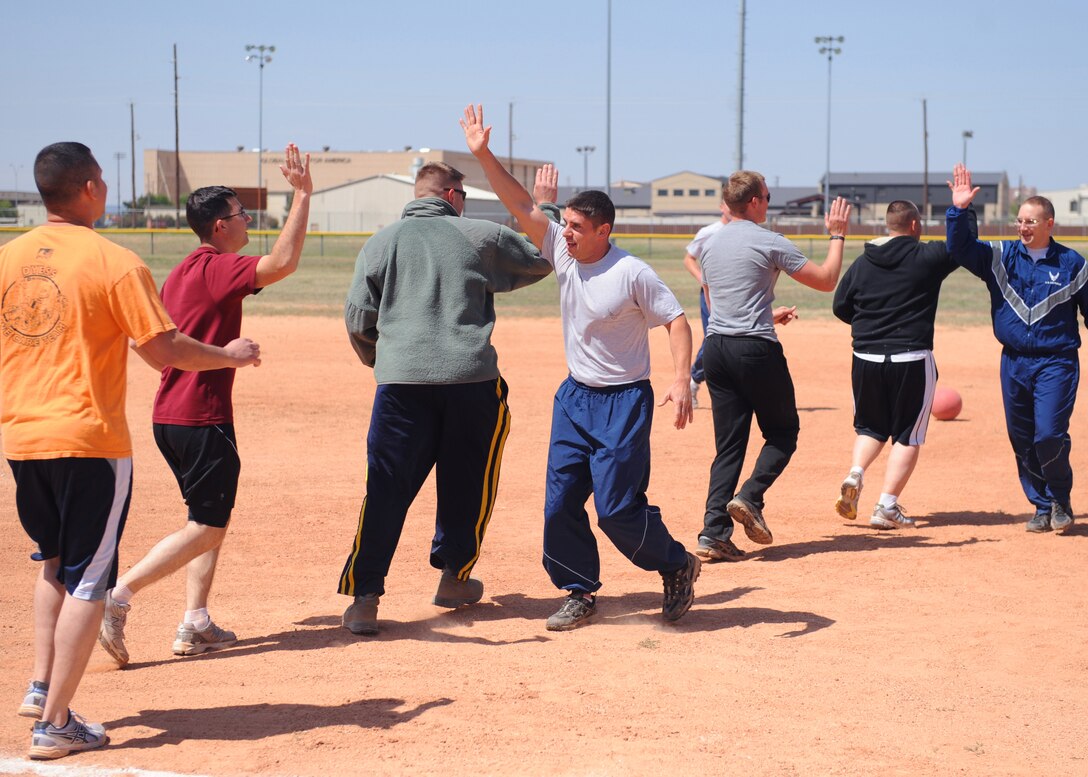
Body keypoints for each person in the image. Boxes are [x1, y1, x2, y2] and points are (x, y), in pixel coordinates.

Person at [1, 142, 260, 760]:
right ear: (91, 187)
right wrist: (226, 355)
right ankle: (55, 723)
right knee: (92, 578)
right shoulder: (113, 261)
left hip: (22, 435)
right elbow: (164, 349)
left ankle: (41, 689)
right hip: (89, 438)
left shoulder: (8, 257)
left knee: (53, 564)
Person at [462, 104, 701, 631]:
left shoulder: (632, 272)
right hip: (574, 399)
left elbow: (677, 321)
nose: (563, 234)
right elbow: (521, 203)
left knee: (616, 509)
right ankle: (578, 590)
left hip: (623, 402)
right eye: (563, 224)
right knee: (559, 504)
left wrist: (681, 378)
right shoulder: (563, 254)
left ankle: (677, 563)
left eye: (575, 227)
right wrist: (483, 154)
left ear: (603, 230)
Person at [96, 144, 312, 667]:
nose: (246, 222)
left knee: (207, 516)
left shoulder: (181, 272)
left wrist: (191, 367)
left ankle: (195, 621)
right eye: (240, 215)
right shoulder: (218, 268)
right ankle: (118, 596)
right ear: (219, 226)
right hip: (202, 419)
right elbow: (282, 262)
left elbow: (143, 345)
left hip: (169, 415)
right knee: (209, 525)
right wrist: (302, 195)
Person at [337, 159, 553, 635]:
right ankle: (454, 578)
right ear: (453, 196)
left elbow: (357, 318)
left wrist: (387, 360)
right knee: (468, 482)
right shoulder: (479, 235)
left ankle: (365, 598)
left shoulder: (380, 243)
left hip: (400, 388)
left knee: (386, 489)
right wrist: (546, 206)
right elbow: (544, 255)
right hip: (470, 383)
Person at [695, 171, 851, 560]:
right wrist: (837, 234)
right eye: (766, 196)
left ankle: (713, 532)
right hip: (754, 350)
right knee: (783, 432)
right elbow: (827, 280)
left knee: (728, 446)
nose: (769, 202)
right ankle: (750, 497)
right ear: (753, 202)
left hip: (716, 347)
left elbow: (716, 302)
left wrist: (765, 311)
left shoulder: (709, 244)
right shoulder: (769, 241)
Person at [947, 163, 1087, 534]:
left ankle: (1060, 496)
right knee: (1022, 437)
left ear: (1049, 224)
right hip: (1013, 362)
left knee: (1049, 434)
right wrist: (959, 211)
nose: (1023, 227)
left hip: (1056, 361)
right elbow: (960, 248)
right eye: (1020, 221)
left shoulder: (1073, 264)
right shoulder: (1000, 257)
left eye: (1030, 222)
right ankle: (1042, 505)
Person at [831, 200, 959, 529]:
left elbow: (840, 306)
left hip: (866, 357)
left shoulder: (862, 262)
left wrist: (870, 325)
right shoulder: (927, 257)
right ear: (915, 226)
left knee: (871, 426)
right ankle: (886, 505)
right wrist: (961, 210)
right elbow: (960, 245)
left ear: (888, 226)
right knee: (908, 434)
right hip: (911, 358)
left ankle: (855, 474)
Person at [682, 192, 731, 409]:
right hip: (711, 293)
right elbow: (689, 258)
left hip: (735, 293)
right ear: (722, 206)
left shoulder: (747, 230)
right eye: (728, 204)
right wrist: (704, 279)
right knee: (713, 337)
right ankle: (694, 380)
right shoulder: (709, 232)